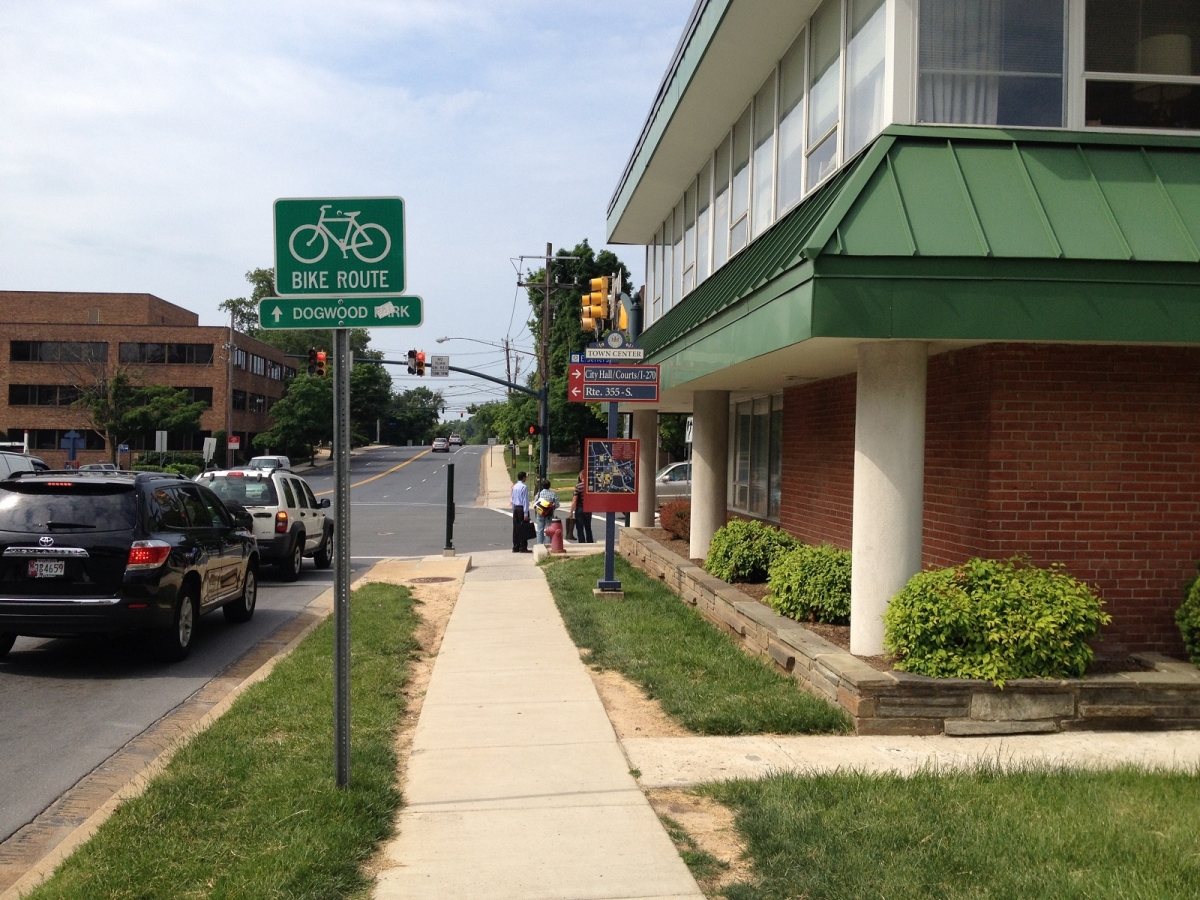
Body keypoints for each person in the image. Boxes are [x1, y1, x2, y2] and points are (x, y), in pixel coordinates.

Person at [533, 478, 559, 546]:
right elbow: (557, 504)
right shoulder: (553, 494)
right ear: (549, 486)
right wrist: (551, 508)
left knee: (540, 530)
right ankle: (548, 545)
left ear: (542, 486)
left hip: (540, 513)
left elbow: (535, 504)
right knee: (549, 530)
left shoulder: (539, 494)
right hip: (549, 514)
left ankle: (540, 545)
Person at [511, 471, 531, 553]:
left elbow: (512, 499)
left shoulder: (514, 487)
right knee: (523, 527)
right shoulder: (524, 487)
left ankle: (516, 546)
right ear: (523, 478)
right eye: (525, 477)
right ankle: (523, 547)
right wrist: (526, 513)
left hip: (516, 508)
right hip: (522, 508)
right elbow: (525, 501)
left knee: (516, 528)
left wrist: (513, 509)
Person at [571, 470, 593, 543]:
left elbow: (575, 500)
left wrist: (571, 511)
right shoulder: (591, 486)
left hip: (580, 508)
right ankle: (590, 541)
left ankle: (582, 541)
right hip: (588, 509)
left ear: (581, 477)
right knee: (588, 527)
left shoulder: (578, 486)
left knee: (580, 527)